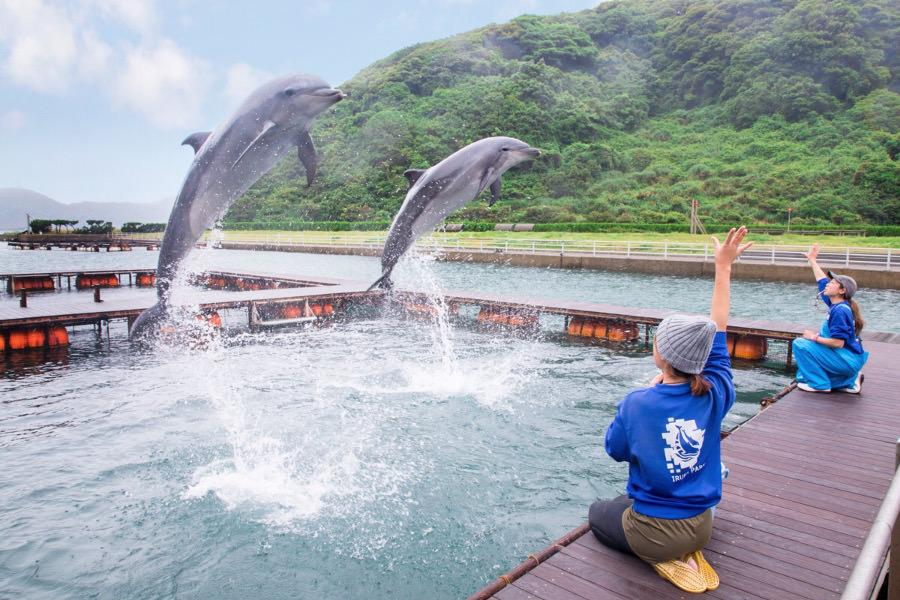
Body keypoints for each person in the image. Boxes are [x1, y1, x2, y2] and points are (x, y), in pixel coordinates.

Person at [588, 226, 752, 594]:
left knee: (600, 513)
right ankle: (690, 551)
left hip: (655, 534)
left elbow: (614, 450)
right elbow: (718, 326)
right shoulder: (716, 391)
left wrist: (644, 397)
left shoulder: (637, 403)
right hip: (702, 522)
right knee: (625, 502)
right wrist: (723, 267)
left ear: (660, 354)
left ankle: (664, 558)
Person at [792, 244, 868, 393]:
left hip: (846, 360)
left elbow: (838, 343)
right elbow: (821, 281)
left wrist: (813, 337)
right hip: (849, 360)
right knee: (801, 375)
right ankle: (850, 381)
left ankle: (820, 385)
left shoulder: (840, 311)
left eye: (832, 283)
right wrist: (812, 260)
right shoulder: (837, 304)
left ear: (842, 290)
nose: (828, 284)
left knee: (800, 344)